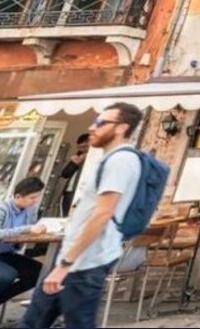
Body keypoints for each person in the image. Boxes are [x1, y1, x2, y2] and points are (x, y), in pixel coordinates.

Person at [19, 103, 144, 329]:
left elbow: (102, 214)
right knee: (34, 322)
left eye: (101, 123)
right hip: (78, 260)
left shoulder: (120, 161)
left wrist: (65, 264)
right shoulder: (110, 159)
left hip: (85, 263)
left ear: (121, 128)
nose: (92, 127)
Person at [0, 178, 46, 326]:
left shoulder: (29, 211)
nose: (35, 201)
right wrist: (26, 229)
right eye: (32, 198)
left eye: (37, 197)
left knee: (38, 273)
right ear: (18, 196)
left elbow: (26, 232)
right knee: (6, 276)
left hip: (6, 255)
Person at [57, 135, 90, 216]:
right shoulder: (78, 155)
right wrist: (74, 164)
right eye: (80, 147)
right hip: (69, 190)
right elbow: (65, 174)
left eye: (85, 147)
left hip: (81, 192)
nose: (82, 150)